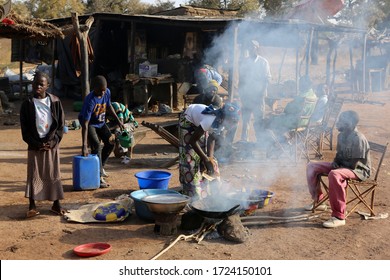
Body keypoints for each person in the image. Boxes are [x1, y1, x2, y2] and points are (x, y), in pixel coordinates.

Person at [305, 110, 371, 228]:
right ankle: (319, 201)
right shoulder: (341, 136)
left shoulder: (358, 138)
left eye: (341, 121)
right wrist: (336, 162)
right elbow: (339, 154)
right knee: (311, 166)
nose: (337, 123)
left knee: (335, 175)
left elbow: (355, 164)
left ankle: (339, 216)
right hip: (343, 167)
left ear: (349, 123)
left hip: (358, 170)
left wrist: (339, 167)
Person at [20, 71, 66, 218]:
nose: (37, 86)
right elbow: (25, 130)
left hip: (51, 144)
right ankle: (32, 205)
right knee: (34, 174)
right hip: (35, 145)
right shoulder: (27, 104)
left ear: (48, 86)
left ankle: (56, 204)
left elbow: (60, 126)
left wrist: (52, 142)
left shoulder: (55, 102)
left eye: (41, 84)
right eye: (35, 83)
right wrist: (36, 143)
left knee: (53, 173)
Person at [178, 102, 240, 199]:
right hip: (188, 120)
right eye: (232, 122)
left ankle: (209, 190)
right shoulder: (210, 120)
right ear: (225, 118)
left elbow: (212, 139)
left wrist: (209, 158)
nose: (233, 125)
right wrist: (205, 159)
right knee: (190, 158)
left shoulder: (222, 122)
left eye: (235, 122)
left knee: (210, 159)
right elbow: (192, 141)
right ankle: (192, 194)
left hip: (200, 122)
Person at [78, 75, 124, 188]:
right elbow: (85, 124)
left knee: (110, 142)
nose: (103, 93)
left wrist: (119, 121)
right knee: (97, 147)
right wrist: (84, 145)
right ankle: (98, 177)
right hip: (90, 125)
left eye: (104, 90)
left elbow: (109, 107)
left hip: (101, 123)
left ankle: (101, 167)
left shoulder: (107, 92)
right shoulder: (90, 100)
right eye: (101, 91)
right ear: (95, 88)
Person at [263, 75, 317, 143]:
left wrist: (282, 111)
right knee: (276, 121)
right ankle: (283, 142)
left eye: (300, 84)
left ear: (304, 85)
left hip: (295, 123)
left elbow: (288, 109)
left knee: (268, 121)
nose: (299, 86)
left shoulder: (302, 97)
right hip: (305, 122)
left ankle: (278, 143)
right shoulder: (313, 95)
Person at [238, 40, 272, 142]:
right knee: (246, 120)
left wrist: (261, 93)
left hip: (259, 96)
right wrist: (241, 94)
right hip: (247, 96)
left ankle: (260, 141)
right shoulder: (244, 62)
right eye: (249, 46)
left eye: (253, 47)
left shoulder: (263, 62)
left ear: (257, 48)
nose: (250, 48)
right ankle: (244, 141)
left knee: (259, 120)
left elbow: (267, 79)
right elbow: (242, 79)